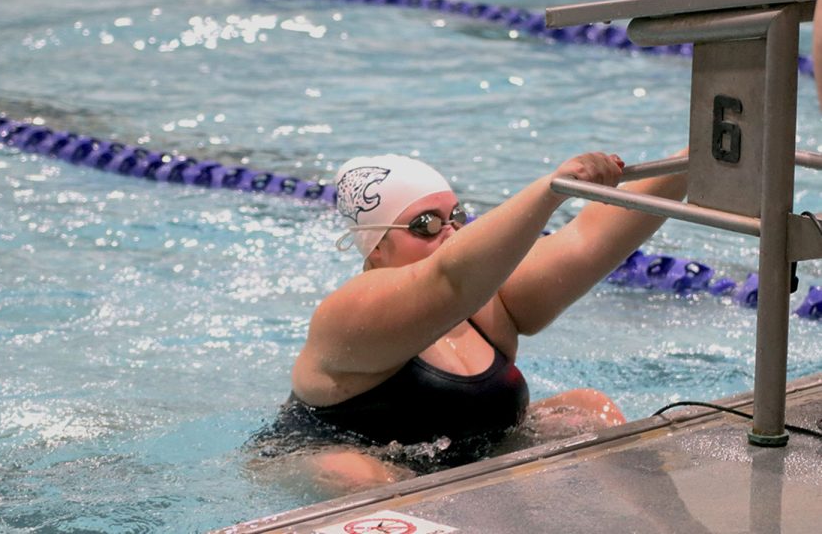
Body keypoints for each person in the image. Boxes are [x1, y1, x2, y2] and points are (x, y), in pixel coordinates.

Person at [251, 150, 688, 495]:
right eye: (425, 225)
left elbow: (588, 238)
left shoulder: (488, 301)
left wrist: (703, 153)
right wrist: (551, 190)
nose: (452, 234)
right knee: (353, 473)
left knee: (586, 410)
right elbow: (446, 279)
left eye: (458, 217)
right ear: (375, 249)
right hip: (333, 461)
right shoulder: (350, 312)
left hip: (458, 458)